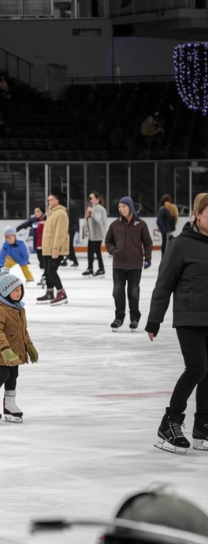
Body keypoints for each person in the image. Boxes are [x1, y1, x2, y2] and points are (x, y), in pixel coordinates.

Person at [146, 192, 208, 455]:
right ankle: (170, 422)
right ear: (197, 214)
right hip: (189, 316)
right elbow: (164, 283)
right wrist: (154, 319)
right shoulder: (181, 244)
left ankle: (202, 426)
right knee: (197, 368)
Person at [0, 269, 38, 424]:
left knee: (13, 376)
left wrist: (29, 347)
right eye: (15, 290)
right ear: (6, 291)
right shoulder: (0, 310)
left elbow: (23, 331)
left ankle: (9, 404)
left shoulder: (19, 309)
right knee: (3, 375)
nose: (19, 293)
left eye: (20, 289)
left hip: (16, 351)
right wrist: (5, 349)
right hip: (2, 351)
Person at [105, 196, 152, 331]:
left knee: (133, 292)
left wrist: (147, 257)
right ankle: (119, 318)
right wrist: (114, 251)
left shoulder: (141, 224)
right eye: (119, 207)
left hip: (135, 264)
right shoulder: (115, 225)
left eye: (123, 206)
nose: (121, 209)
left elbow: (147, 242)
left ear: (130, 207)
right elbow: (108, 241)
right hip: (118, 264)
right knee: (118, 291)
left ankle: (134, 318)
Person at [37, 193, 69, 306]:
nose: (48, 202)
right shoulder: (51, 213)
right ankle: (49, 293)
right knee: (47, 271)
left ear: (58, 200)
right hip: (47, 248)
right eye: (48, 200)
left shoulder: (61, 213)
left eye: (51, 199)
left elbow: (60, 233)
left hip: (56, 248)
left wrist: (56, 248)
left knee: (51, 271)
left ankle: (61, 293)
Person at [83, 191, 107, 277]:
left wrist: (92, 211)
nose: (90, 200)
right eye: (89, 198)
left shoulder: (100, 209)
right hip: (92, 235)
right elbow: (88, 221)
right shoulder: (92, 208)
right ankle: (90, 268)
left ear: (97, 199)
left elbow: (99, 220)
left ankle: (101, 268)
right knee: (90, 252)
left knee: (97, 251)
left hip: (98, 234)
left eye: (91, 198)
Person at [61, 202, 80, 267]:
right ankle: (65, 259)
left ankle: (73, 260)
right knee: (66, 245)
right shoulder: (70, 212)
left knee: (68, 245)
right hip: (70, 230)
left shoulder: (69, 213)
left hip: (70, 230)